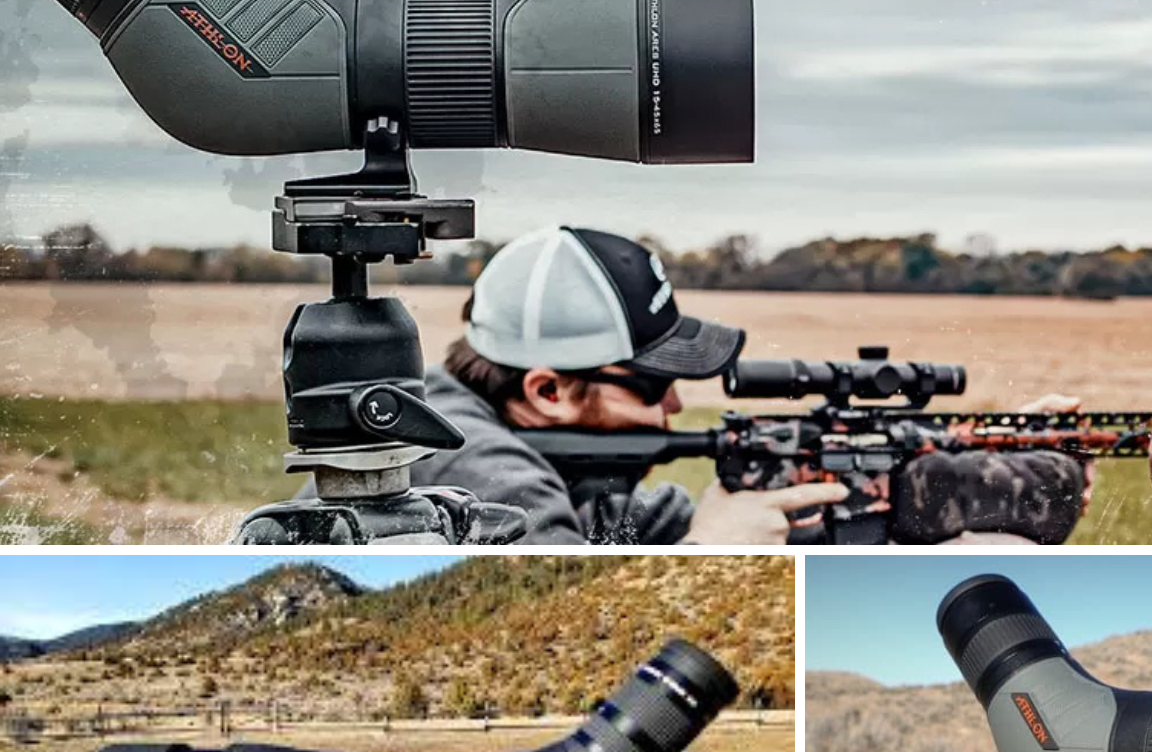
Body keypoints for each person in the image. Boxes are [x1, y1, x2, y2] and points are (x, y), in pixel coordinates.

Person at [325, 225, 1090, 545]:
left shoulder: (478, 424)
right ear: (551, 391)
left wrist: (957, 453)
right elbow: (593, 610)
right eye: (652, 385)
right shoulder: (475, 469)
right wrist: (711, 552)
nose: (675, 404)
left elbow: (632, 523)